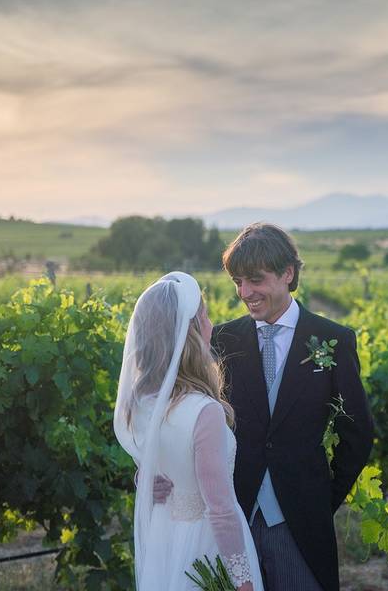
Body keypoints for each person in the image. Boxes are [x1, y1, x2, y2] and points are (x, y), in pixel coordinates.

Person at [156, 223, 374, 591]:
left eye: (255, 280)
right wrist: (158, 475)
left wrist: (320, 499)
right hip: (230, 521)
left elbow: (358, 434)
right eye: (238, 282)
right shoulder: (223, 339)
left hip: (301, 523)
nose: (245, 293)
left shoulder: (333, 340)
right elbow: (187, 415)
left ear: (288, 274)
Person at [113, 272, 261, 591]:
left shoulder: (140, 401)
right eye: (205, 318)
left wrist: (145, 478)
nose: (210, 325)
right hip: (205, 547)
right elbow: (219, 509)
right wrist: (244, 581)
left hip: (165, 539)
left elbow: (152, 468)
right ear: (191, 332)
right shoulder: (202, 411)